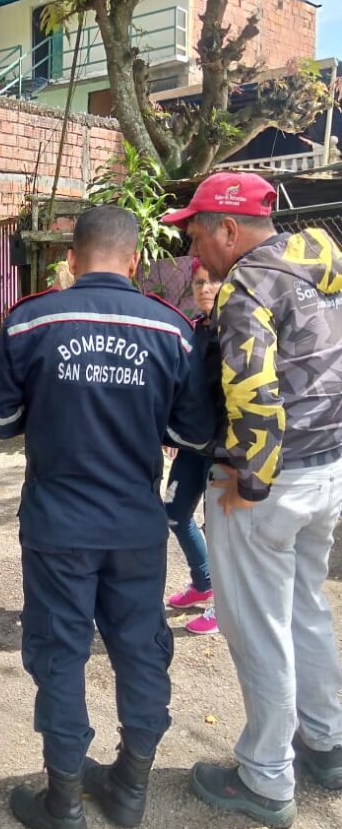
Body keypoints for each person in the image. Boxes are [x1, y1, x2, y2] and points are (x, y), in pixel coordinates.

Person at [0, 206, 214, 829]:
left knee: (60, 654)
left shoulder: (31, 320)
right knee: (141, 649)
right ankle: (130, 790)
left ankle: (65, 807)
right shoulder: (172, 329)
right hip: (137, 526)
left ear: (73, 258)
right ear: (135, 260)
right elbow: (192, 433)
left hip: (58, 524)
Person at [162, 170, 342, 828]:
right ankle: (326, 744)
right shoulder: (323, 267)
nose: (192, 253)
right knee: (305, 608)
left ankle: (266, 778)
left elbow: (254, 392)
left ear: (230, 229)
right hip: (328, 468)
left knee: (259, 624)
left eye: (197, 235)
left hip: (272, 482)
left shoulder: (246, 289)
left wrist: (251, 480)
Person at [165, 259, 222, 635]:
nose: (203, 288)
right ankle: (204, 583)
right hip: (193, 446)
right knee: (174, 511)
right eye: (198, 282)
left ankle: (225, 606)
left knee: (219, 526)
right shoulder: (192, 330)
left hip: (226, 450)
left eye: (211, 281)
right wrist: (172, 433)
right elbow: (180, 387)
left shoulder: (239, 327)